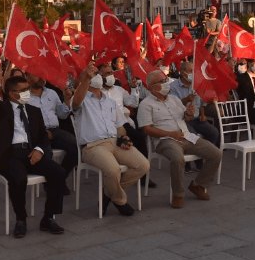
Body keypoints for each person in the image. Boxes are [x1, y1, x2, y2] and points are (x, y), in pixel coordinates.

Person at [0, 76, 66, 238]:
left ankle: (49, 217)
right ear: (12, 94)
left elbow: (42, 136)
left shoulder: (34, 111)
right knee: (19, 178)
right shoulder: (1, 109)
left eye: (28, 89)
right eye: (23, 90)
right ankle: (21, 219)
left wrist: (39, 150)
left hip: (31, 152)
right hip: (9, 154)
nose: (28, 93)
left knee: (58, 172)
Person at [71, 65, 150, 216]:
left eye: (97, 74)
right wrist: (86, 79)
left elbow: (120, 125)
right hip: (93, 146)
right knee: (114, 170)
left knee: (143, 165)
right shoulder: (81, 98)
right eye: (92, 74)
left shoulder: (110, 102)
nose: (97, 76)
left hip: (114, 142)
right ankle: (120, 200)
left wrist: (123, 137)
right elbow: (76, 103)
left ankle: (108, 193)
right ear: (84, 79)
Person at [139, 70, 222, 209]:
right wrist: (170, 134)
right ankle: (178, 194)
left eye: (166, 80)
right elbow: (146, 129)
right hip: (166, 140)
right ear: (152, 86)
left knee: (216, 153)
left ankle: (198, 185)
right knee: (178, 159)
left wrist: (188, 114)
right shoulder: (146, 104)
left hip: (185, 135)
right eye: (162, 81)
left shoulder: (174, 99)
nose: (166, 84)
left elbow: (184, 118)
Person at [23, 72, 80, 178]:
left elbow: (62, 115)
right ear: (28, 78)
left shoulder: (52, 93)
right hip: (37, 133)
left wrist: (67, 100)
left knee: (76, 146)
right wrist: (41, 131)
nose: (41, 76)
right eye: (36, 73)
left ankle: (60, 178)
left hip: (55, 131)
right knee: (45, 153)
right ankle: (55, 181)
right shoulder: (24, 97)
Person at [170, 61, 220, 147]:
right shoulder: (173, 87)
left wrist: (203, 115)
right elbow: (173, 105)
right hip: (182, 120)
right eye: (190, 71)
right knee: (193, 137)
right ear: (182, 72)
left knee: (214, 132)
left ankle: (204, 154)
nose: (193, 74)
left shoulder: (196, 85)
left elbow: (201, 103)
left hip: (196, 120)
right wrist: (186, 99)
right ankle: (194, 158)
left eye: (194, 71)